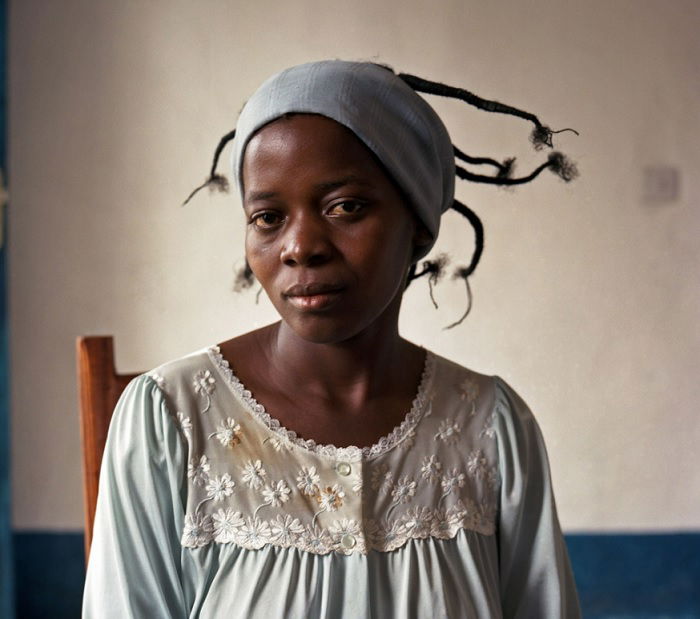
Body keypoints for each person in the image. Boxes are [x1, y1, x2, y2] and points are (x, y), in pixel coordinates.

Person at [82, 60, 581, 618]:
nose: (300, 246)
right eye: (268, 217)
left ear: (417, 220)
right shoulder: (171, 419)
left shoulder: (492, 428)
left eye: (345, 207)